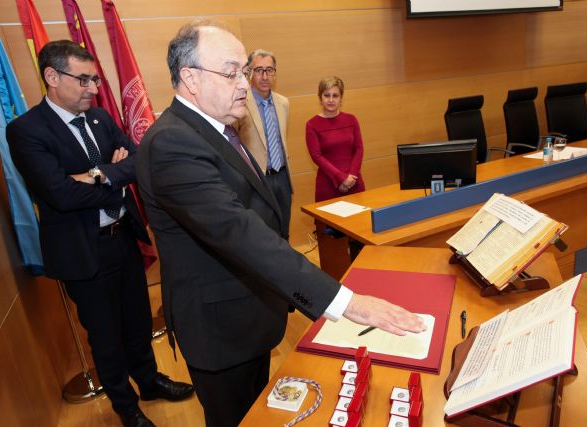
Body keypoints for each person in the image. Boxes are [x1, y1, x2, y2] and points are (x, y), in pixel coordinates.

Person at [135, 21, 426, 427]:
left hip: (247, 315)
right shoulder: (172, 142)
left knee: (262, 415)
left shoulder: (214, 130)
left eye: (246, 71)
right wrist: (348, 302)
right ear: (190, 78)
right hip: (220, 329)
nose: (245, 83)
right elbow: (240, 234)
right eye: (232, 72)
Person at [6, 40, 193, 427]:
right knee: (105, 336)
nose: (94, 88)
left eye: (95, 79)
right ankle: (125, 406)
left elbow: (140, 159)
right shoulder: (25, 131)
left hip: (122, 237)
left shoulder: (101, 119)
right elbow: (60, 194)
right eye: (85, 79)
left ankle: (149, 381)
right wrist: (113, 172)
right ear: (52, 77)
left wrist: (98, 173)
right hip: (82, 252)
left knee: (138, 320)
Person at [234, 49, 293, 239]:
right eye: (259, 70)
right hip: (257, 179)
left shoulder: (283, 102)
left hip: (282, 177)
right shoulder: (240, 103)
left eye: (270, 70)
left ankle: (287, 268)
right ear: (249, 72)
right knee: (264, 235)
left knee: (284, 230)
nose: (265, 76)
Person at [306, 76, 365, 202]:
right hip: (328, 185)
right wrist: (341, 178)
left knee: (359, 221)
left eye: (335, 95)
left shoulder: (351, 120)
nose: (331, 100)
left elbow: (359, 149)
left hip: (354, 182)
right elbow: (317, 156)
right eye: (327, 95)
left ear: (341, 98)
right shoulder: (312, 125)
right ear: (320, 98)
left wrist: (351, 176)